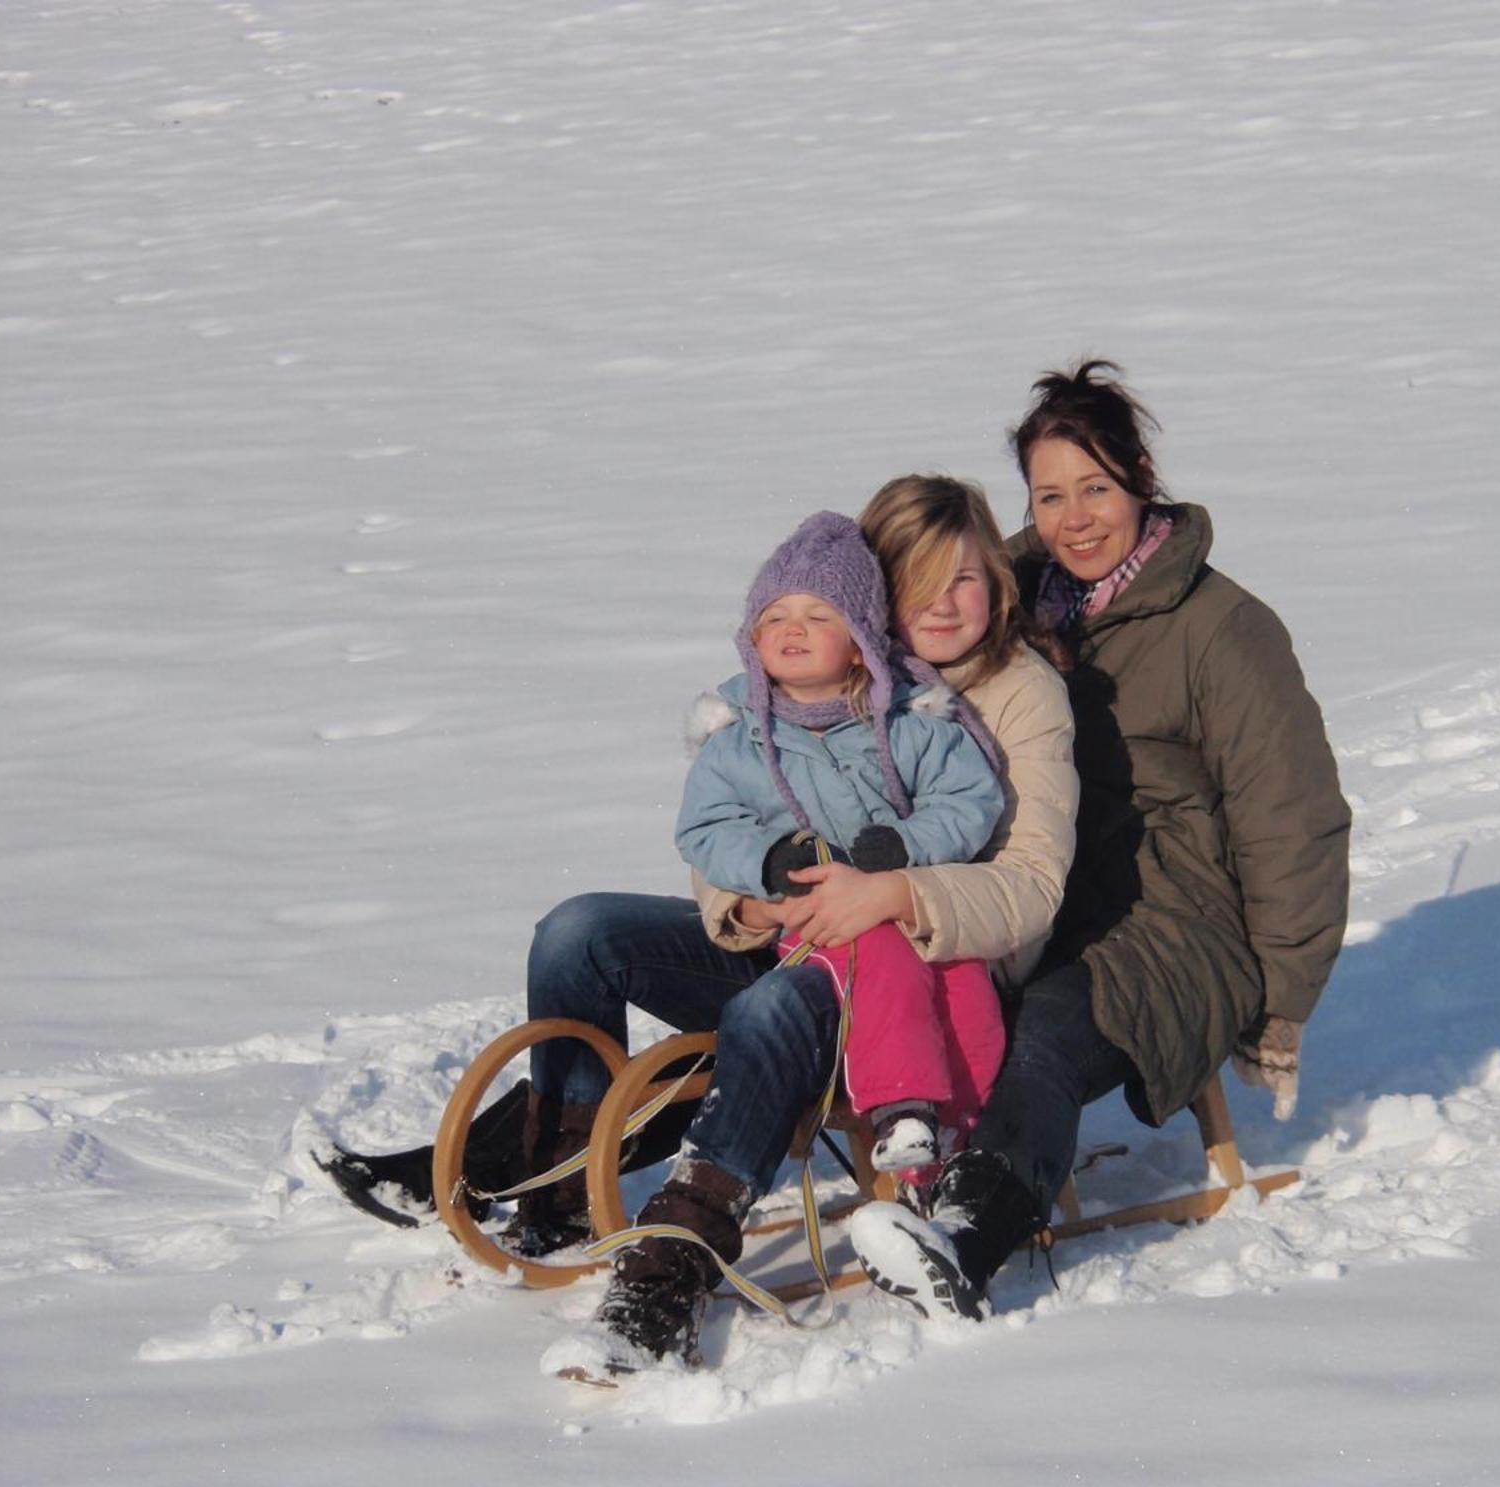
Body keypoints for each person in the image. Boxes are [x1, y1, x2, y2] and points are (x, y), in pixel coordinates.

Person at [320, 473, 1079, 1376]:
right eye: (916, 580)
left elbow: (1032, 886)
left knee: (762, 1017)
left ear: (996, 583)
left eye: (965, 579)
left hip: (911, 971)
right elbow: (722, 826)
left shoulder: (1012, 698)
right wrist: (747, 902)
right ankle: (555, 1181)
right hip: (789, 934)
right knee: (579, 932)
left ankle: (673, 1265)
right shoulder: (799, 683)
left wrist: (893, 897)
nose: (943, 604)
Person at [850, 361, 1352, 1321]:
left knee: (1042, 1028)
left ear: (1141, 478)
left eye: (1097, 489)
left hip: (1169, 917)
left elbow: (1291, 814)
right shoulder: (1007, 588)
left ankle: (967, 1234)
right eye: (1050, 495)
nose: (1075, 518)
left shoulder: (1224, 631)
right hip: (1020, 885)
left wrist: (1282, 999)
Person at [674, 510, 1007, 1178]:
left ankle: (961, 1142)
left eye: (818, 616)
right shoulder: (738, 739)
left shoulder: (912, 723)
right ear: (752, 639)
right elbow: (704, 828)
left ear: (860, 644)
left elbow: (971, 798)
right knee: (877, 960)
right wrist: (768, 863)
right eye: (775, 616)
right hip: (819, 923)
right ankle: (900, 1111)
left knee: (968, 992)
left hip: (913, 905)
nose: (792, 630)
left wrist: (905, 846)